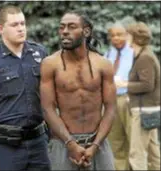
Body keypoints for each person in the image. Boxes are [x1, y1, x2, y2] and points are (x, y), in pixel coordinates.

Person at [0, 5, 50, 171]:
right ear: (1, 29)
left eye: (22, 23)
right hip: (5, 147)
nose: (21, 29)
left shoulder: (40, 53)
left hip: (38, 144)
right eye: (14, 25)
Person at [40, 10, 116, 170]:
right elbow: (47, 109)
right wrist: (71, 144)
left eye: (71, 27)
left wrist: (95, 145)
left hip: (98, 142)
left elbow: (110, 108)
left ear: (86, 31)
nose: (64, 32)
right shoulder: (50, 64)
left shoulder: (103, 64)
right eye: (61, 27)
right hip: (63, 142)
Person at [116, 22, 160, 170]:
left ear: (135, 38)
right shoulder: (143, 54)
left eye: (128, 35)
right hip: (149, 110)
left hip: (143, 112)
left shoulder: (144, 57)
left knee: (136, 153)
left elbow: (147, 85)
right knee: (154, 152)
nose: (126, 38)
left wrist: (124, 85)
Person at [104, 22, 134, 170]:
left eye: (119, 34)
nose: (116, 38)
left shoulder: (134, 52)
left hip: (129, 100)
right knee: (115, 141)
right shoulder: (109, 54)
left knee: (133, 141)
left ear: (127, 35)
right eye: (113, 35)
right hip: (111, 102)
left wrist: (126, 83)